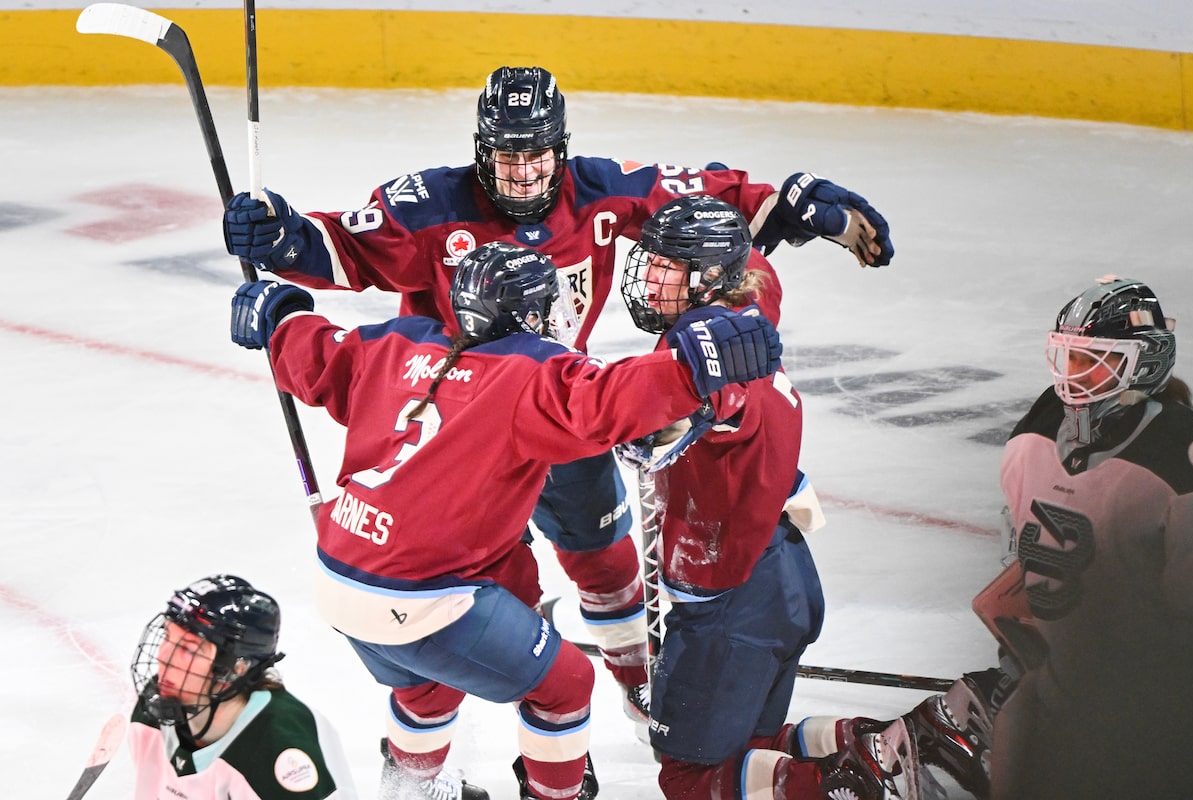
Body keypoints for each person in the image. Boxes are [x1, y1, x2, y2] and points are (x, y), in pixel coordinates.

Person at [220, 65, 895, 728]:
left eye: (536, 157)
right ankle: (505, 729)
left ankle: (635, 680)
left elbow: (702, 206)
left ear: (561, 149)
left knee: (604, 557)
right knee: (481, 601)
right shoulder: (429, 203)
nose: (522, 174)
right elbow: (339, 247)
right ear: (482, 151)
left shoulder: (598, 190)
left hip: (557, 406)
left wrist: (788, 203)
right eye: (507, 158)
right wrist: (281, 234)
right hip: (460, 434)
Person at [227, 240, 784, 800]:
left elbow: (318, 353)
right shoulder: (528, 371)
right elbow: (607, 402)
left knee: (429, 689)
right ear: (530, 314)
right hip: (421, 596)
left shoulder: (397, 342)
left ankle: (408, 791)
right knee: (567, 685)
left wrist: (279, 313)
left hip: (340, 576)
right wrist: (692, 367)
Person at [818, 276, 1193, 800]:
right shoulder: (1046, 424)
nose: (1073, 377)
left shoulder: (1175, 460)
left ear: (1144, 362)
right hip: (1055, 682)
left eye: (1094, 360)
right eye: (1068, 359)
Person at [615, 196, 909, 800]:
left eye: (668, 266)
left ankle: (849, 785)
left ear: (705, 275)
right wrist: (787, 210)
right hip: (784, 572)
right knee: (752, 750)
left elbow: (649, 435)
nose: (649, 278)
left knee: (690, 776)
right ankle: (900, 743)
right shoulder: (751, 294)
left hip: (732, 599)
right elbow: (756, 256)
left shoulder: (698, 345)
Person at [127, 574, 357, 800]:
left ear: (237, 668)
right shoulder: (153, 712)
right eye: (167, 636)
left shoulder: (281, 749)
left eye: (188, 648)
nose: (163, 658)